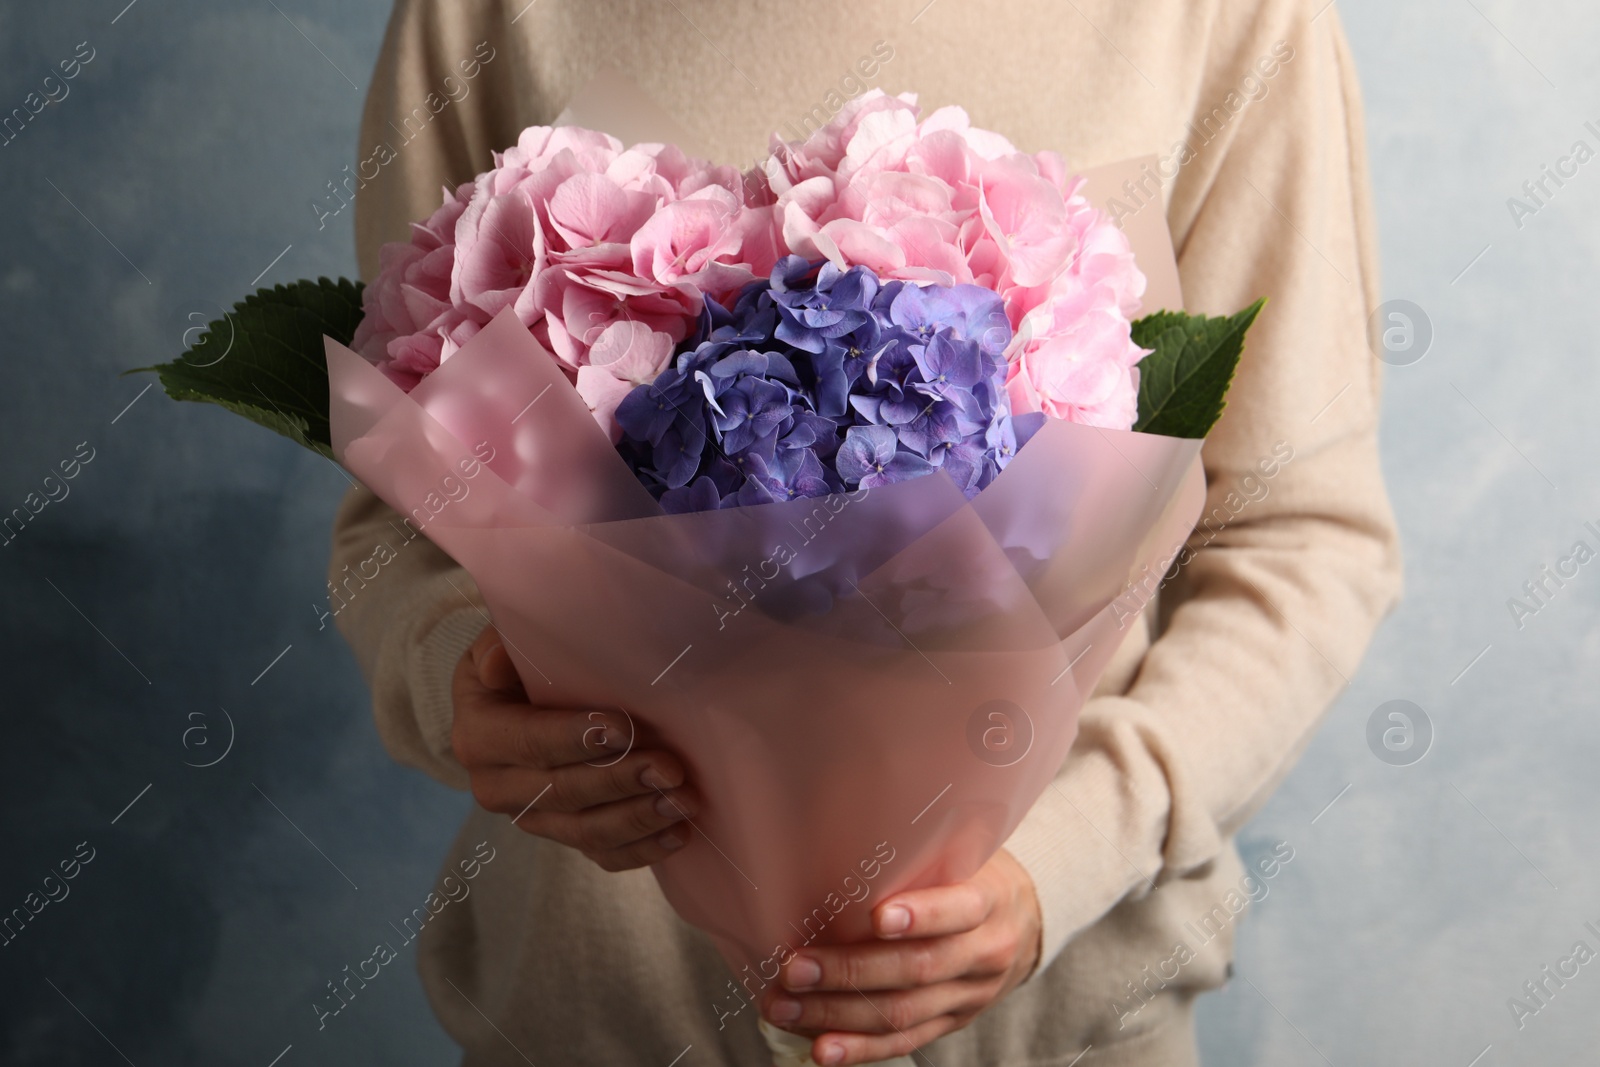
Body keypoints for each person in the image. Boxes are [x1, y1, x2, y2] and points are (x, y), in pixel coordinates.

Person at [332, 1, 1401, 1063]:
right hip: (587, 1024)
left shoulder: (1226, 18)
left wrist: (1066, 857)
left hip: (1054, 1034)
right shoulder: (477, 14)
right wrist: (459, 686)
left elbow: (1304, 538)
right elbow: (399, 513)